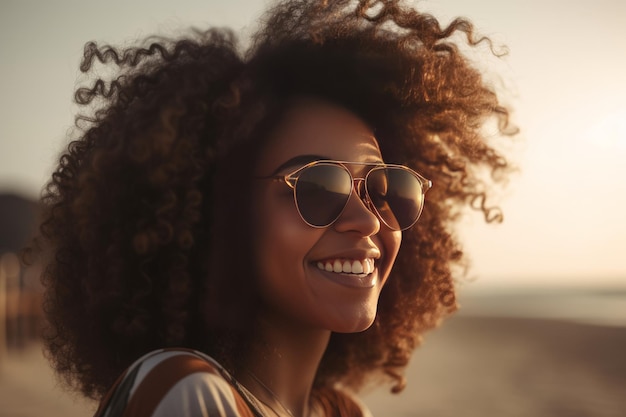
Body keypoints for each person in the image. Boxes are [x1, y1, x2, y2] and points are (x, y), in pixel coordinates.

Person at [31, 0, 515, 416]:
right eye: (319, 187)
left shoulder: (345, 411)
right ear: (223, 218)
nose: (368, 219)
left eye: (386, 188)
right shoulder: (186, 393)